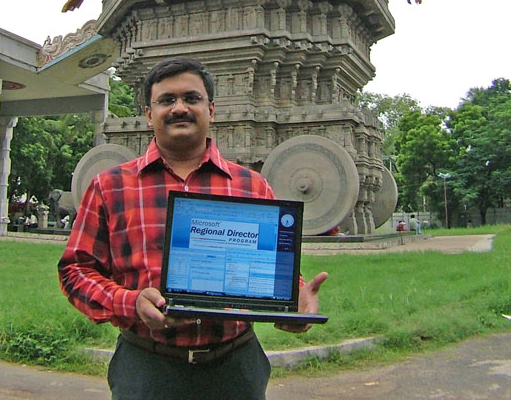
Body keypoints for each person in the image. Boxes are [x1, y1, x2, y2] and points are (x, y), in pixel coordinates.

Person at [58, 57, 328, 400]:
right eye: (166, 100)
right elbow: (75, 270)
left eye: (191, 98)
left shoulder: (251, 186)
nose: (179, 108)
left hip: (234, 367)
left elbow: (270, 269)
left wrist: (294, 298)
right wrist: (129, 302)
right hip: (147, 366)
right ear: (149, 114)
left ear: (211, 110)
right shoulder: (111, 186)